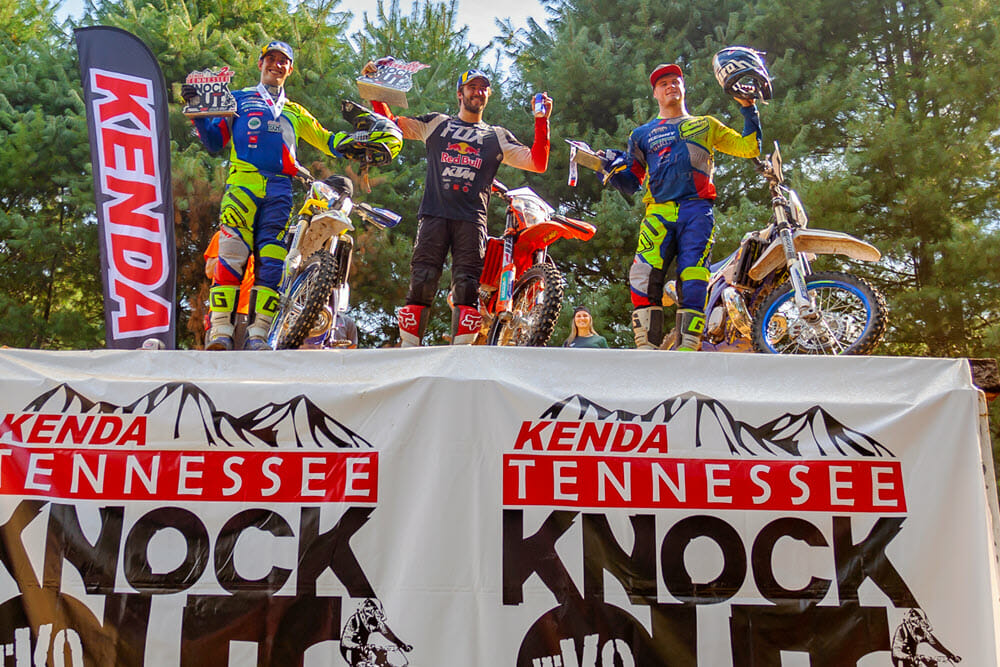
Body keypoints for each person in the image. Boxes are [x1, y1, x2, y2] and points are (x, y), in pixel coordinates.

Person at [183, 40, 388, 351]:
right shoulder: (237, 98)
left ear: (290, 69)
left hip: (280, 189)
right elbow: (214, 142)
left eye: (283, 62)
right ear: (260, 63)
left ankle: (259, 335)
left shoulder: (295, 111)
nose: (276, 65)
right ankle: (221, 332)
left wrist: (362, 141)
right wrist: (198, 113)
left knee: (273, 262)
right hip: (242, 185)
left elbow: (328, 140)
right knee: (231, 254)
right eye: (271, 59)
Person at [363, 65, 553, 346]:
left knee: (467, 286)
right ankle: (409, 348)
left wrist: (542, 120)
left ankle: (461, 352)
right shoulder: (437, 123)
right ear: (459, 93)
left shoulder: (496, 135)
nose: (478, 92)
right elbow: (390, 124)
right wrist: (374, 88)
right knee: (423, 279)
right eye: (471, 87)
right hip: (433, 215)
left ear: (488, 94)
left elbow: (538, 162)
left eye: (483, 88)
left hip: (472, 220)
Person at [606, 60, 762, 351]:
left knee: (693, 279)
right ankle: (646, 351)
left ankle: (689, 349)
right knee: (643, 276)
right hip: (659, 212)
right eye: (663, 83)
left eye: (675, 81)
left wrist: (748, 107)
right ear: (655, 93)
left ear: (684, 87)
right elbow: (631, 183)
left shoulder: (705, 124)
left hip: (697, 210)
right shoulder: (641, 134)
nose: (670, 86)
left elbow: (748, 147)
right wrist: (609, 169)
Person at [203, 230, 253, 349]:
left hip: (247, 311)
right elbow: (209, 271)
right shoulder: (223, 235)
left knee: (245, 362)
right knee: (214, 359)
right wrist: (231, 254)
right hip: (220, 308)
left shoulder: (261, 239)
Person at [340, 598, 412, 666]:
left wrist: (402, 645)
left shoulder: (376, 621)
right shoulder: (354, 621)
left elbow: (388, 634)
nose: (374, 626)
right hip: (351, 651)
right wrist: (361, 647)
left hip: (365, 649)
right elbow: (345, 642)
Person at [891, 608, 961, 666]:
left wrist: (951, 656)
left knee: (932, 663)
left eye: (919, 620)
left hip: (915, 658)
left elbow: (937, 645)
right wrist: (909, 657)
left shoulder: (923, 631)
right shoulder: (902, 630)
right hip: (902, 660)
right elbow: (896, 651)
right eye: (914, 618)